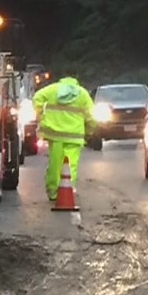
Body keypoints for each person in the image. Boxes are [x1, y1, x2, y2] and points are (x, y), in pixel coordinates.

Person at [32, 73, 97, 201]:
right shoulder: (82, 94)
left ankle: (53, 192)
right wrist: (90, 131)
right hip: (74, 136)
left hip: (54, 135)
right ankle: (67, 191)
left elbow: (36, 98)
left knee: (55, 164)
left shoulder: (52, 89)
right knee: (70, 165)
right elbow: (91, 117)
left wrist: (40, 115)